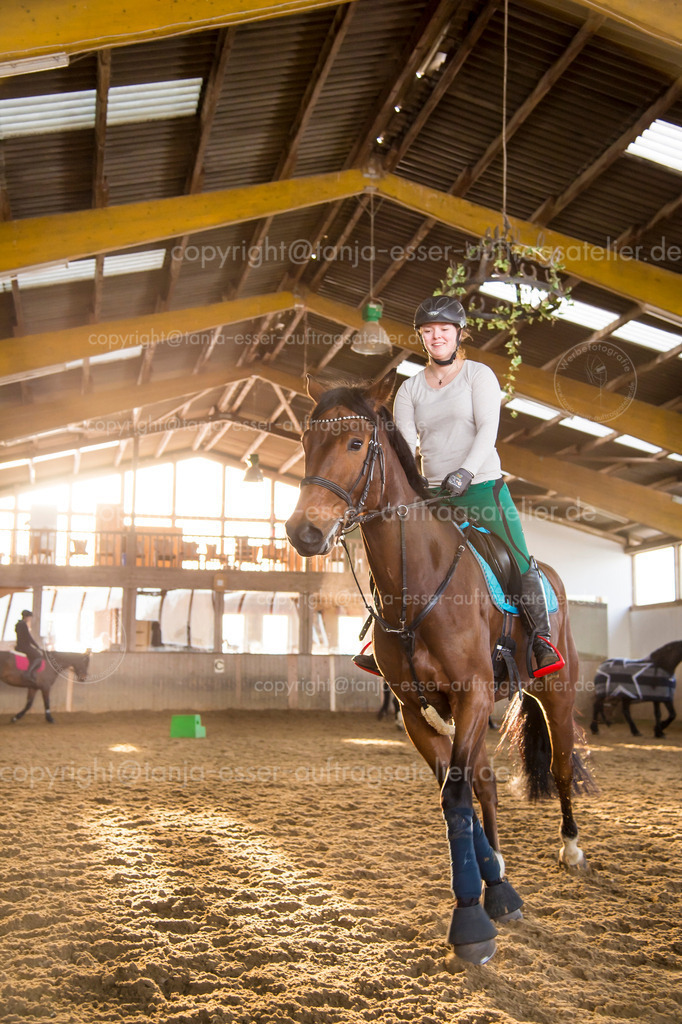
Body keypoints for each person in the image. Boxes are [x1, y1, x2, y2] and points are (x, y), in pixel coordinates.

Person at [353, 294, 564, 679]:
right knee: (395, 555)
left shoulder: (477, 376)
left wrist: (466, 471)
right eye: (429, 331)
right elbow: (403, 445)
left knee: (517, 559)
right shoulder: (410, 388)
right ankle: (380, 634)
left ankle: (540, 639)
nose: (436, 337)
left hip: (482, 488)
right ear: (422, 337)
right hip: (433, 494)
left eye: (444, 330)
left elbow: (488, 428)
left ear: (458, 334)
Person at [15, 609, 43, 684]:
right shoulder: (23, 625)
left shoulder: (19, 624)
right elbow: (29, 638)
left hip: (20, 645)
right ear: (27, 617)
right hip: (24, 646)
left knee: (33, 656)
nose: (30, 619)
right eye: (30, 617)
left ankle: (32, 673)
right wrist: (37, 646)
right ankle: (28, 673)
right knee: (38, 656)